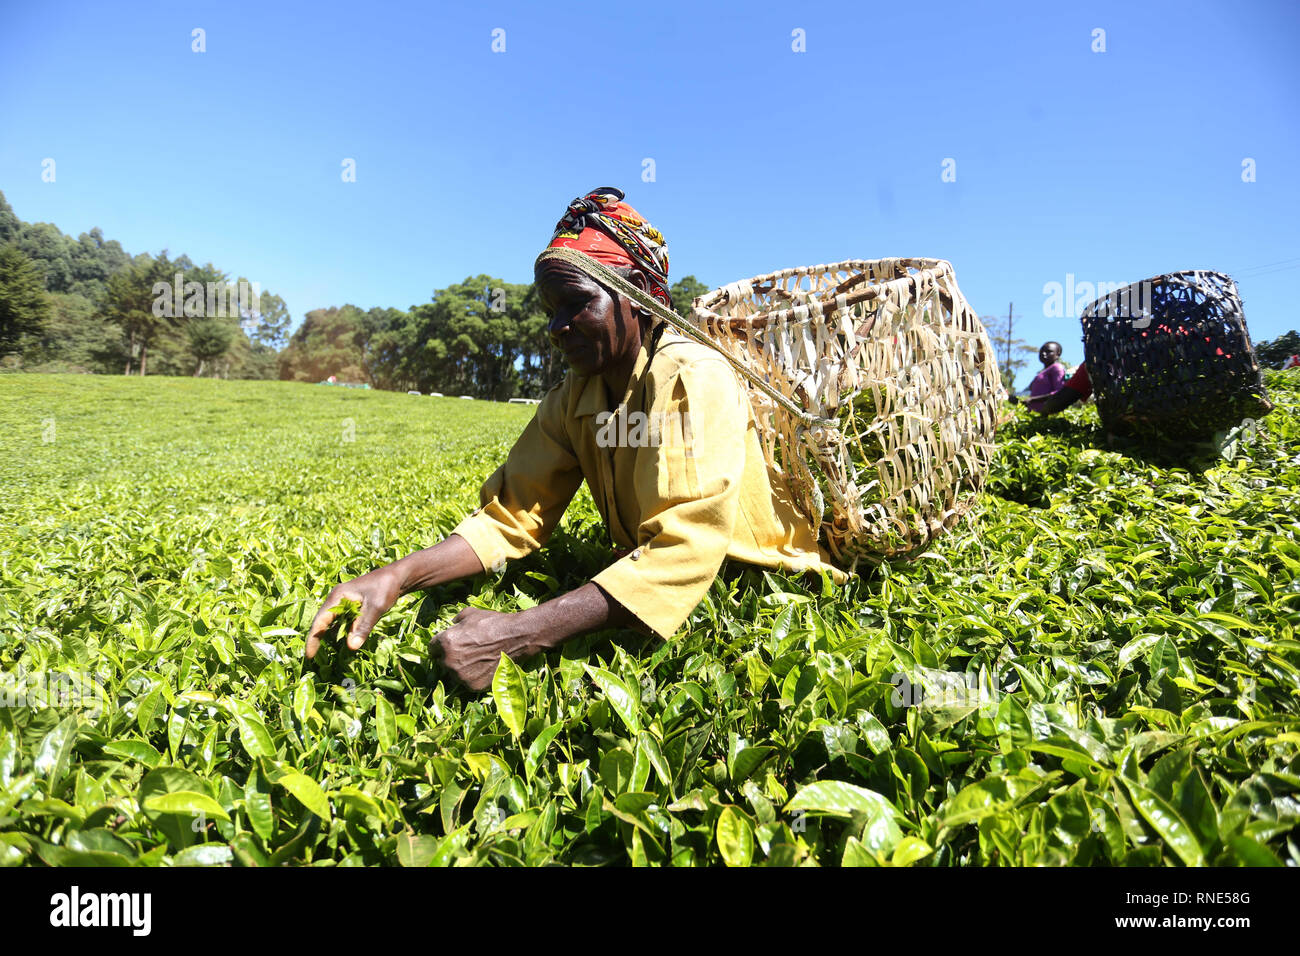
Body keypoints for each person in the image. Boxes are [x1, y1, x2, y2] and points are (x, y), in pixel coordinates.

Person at [303, 187, 844, 689]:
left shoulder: (688, 375)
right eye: (550, 309)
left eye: (577, 303)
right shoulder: (573, 398)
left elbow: (686, 548)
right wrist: (398, 575)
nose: (556, 326)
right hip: (650, 586)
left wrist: (520, 631)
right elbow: (511, 517)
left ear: (635, 298)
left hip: (759, 595)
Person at [1009, 341, 1066, 412]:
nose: (1043, 353)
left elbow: (1059, 392)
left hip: (1047, 414)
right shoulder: (1042, 373)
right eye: (1041, 351)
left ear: (1058, 354)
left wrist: (1032, 399)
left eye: (1049, 351)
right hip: (1035, 414)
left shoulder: (1057, 368)